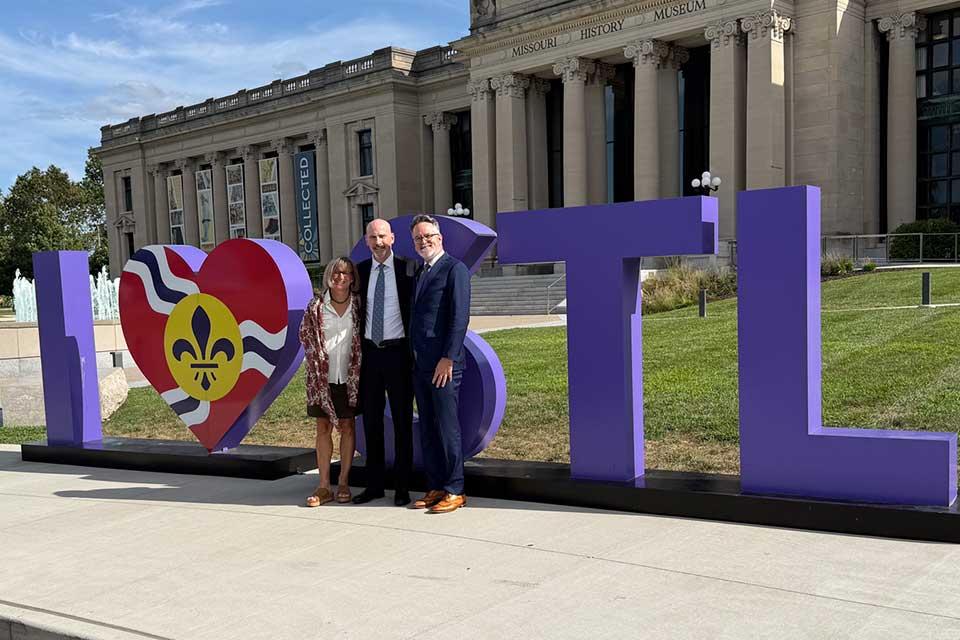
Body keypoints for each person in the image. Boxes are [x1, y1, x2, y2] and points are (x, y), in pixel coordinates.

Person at [408, 214, 471, 514]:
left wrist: (449, 358)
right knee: (428, 428)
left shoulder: (454, 269)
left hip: (444, 365)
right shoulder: (420, 272)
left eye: (428, 236)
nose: (424, 241)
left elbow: (459, 319)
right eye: (418, 238)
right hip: (420, 365)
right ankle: (435, 486)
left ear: (440, 238)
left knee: (447, 428)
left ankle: (455, 489)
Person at [352, 218, 415, 506]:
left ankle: (402, 487)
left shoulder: (408, 269)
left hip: (399, 354)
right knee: (372, 423)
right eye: (372, 237)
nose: (377, 242)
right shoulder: (361, 272)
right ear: (366, 241)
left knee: (402, 421)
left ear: (392, 238)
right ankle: (375, 485)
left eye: (382, 236)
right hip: (370, 356)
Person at [298, 257, 362, 507]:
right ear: (328, 276)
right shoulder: (316, 306)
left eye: (345, 273)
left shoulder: (358, 305)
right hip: (321, 379)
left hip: (350, 377)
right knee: (323, 428)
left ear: (352, 278)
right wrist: (317, 361)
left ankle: (344, 481)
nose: (340, 277)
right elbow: (304, 335)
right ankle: (324, 485)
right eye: (336, 273)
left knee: (347, 426)